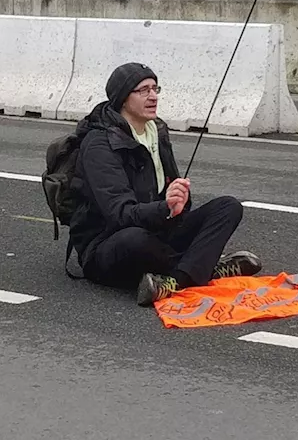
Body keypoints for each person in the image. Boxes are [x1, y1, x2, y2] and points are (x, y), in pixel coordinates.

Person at [66, 63, 260, 306]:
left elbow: (172, 194)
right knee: (134, 239)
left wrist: (178, 203)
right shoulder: (99, 144)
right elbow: (119, 214)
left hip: (157, 231)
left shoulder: (156, 130)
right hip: (108, 244)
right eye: (143, 90)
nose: (153, 96)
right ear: (123, 98)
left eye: (155, 88)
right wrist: (164, 208)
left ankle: (175, 281)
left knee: (228, 207)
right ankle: (205, 268)